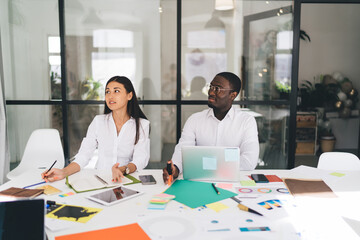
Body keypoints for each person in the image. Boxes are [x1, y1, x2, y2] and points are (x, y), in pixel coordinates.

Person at [42, 76, 150, 182]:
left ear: (129, 95)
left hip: (127, 179)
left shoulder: (141, 125)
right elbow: (84, 155)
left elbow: (140, 159)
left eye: (116, 91)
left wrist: (123, 169)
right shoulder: (98, 122)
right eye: (107, 92)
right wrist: (63, 172)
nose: (110, 96)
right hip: (101, 179)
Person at [163, 72, 259, 182]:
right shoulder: (195, 119)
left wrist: (210, 167)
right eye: (211, 87)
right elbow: (182, 151)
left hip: (234, 183)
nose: (211, 92)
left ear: (233, 95)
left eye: (217, 89)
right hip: (199, 182)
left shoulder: (246, 121)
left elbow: (249, 161)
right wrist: (175, 169)